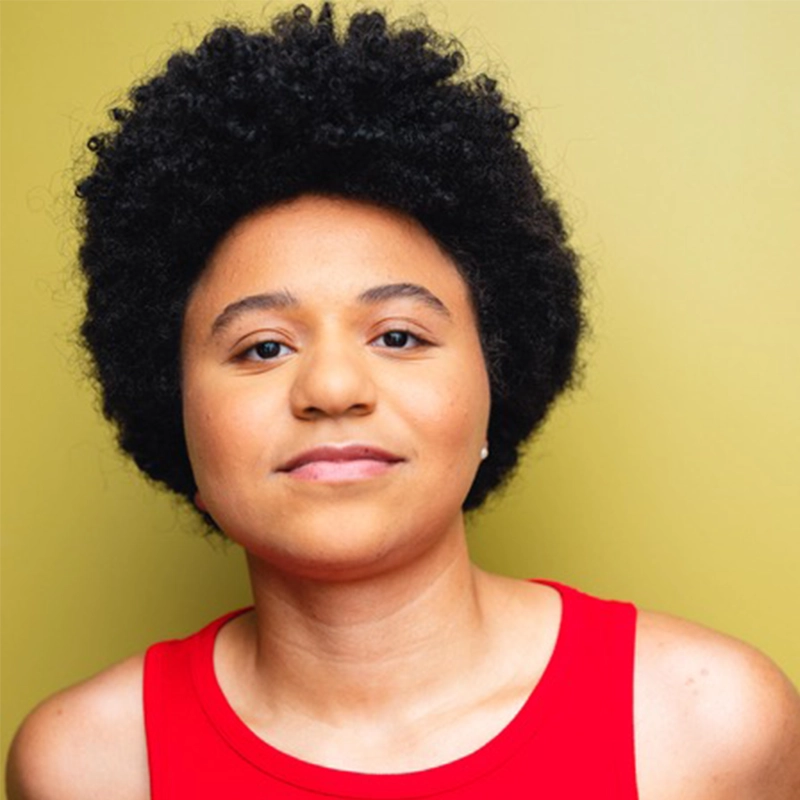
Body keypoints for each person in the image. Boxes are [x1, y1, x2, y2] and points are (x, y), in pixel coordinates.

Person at [7, 4, 800, 798]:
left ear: (498, 374)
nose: (332, 389)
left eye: (397, 336)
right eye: (263, 347)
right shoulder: (91, 765)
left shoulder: (705, 724)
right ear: (172, 409)